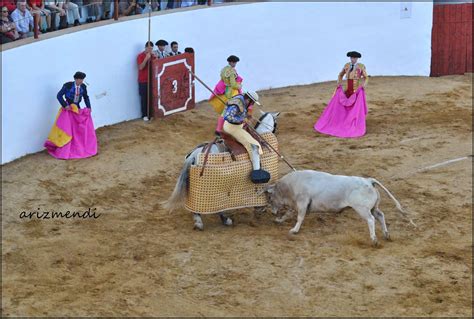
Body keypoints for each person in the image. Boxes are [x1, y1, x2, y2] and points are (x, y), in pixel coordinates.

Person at [314, 51, 369, 138]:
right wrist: (338, 83)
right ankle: (345, 120)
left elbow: (366, 78)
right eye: (351, 58)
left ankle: (353, 121)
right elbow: (340, 75)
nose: (353, 59)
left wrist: (363, 86)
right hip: (347, 89)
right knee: (345, 106)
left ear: (357, 58)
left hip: (355, 90)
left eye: (354, 58)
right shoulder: (347, 65)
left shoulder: (361, 67)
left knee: (355, 107)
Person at [44, 72, 98, 159]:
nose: (81, 81)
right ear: (76, 79)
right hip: (68, 110)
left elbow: (86, 97)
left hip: (77, 109)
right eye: (80, 79)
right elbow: (59, 96)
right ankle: (67, 148)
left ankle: (78, 146)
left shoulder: (83, 86)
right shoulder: (67, 86)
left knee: (77, 129)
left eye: (82, 79)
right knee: (68, 129)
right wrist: (65, 105)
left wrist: (89, 107)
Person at [222, 91, 270, 184]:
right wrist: (241, 120)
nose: (252, 105)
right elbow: (227, 116)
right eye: (252, 102)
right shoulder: (237, 103)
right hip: (232, 128)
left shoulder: (242, 102)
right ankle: (257, 173)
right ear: (249, 100)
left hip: (237, 126)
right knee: (254, 145)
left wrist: (245, 116)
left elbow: (239, 114)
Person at [209, 55, 243, 135]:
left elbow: (223, 80)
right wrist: (239, 86)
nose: (235, 64)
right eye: (234, 62)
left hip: (225, 91)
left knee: (226, 110)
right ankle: (221, 129)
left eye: (236, 62)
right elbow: (233, 84)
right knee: (231, 109)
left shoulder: (224, 69)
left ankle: (219, 129)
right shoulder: (231, 71)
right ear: (230, 62)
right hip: (231, 93)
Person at [137, 41, 157, 121]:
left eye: (151, 48)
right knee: (144, 98)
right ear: (145, 48)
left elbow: (156, 66)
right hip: (143, 80)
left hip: (151, 80)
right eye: (148, 48)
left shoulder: (152, 55)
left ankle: (151, 114)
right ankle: (144, 115)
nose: (150, 50)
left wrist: (155, 57)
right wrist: (146, 59)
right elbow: (140, 67)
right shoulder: (140, 56)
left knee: (151, 97)